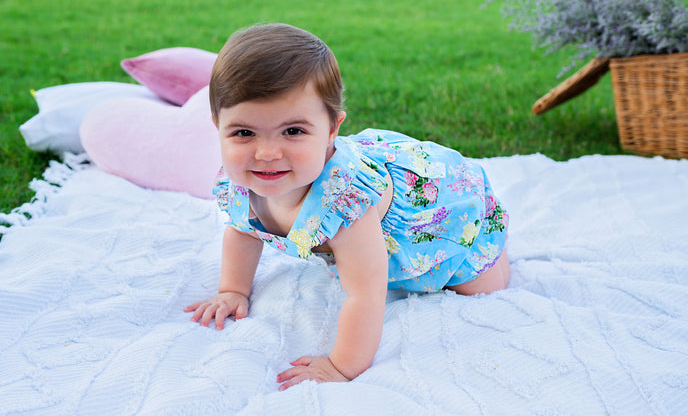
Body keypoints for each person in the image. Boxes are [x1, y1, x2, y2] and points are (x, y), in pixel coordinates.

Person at [184, 23, 509, 391]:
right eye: (243, 133)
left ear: (332, 129)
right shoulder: (241, 182)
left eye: (293, 131)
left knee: (483, 288)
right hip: (376, 237)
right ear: (218, 126)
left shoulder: (345, 203)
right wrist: (233, 290)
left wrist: (341, 366)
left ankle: (495, 246)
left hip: (441, 215)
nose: (267, 153)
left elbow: (365, 293)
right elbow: (244, 231)